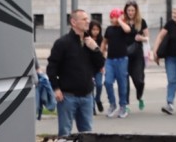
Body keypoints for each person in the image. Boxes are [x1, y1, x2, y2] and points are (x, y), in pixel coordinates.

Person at [46, 9, 106, 137]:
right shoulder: (62, 43)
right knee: (65, 133)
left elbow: (100, 64)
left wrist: (95, 49)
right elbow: (51, 67)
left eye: (87, 19)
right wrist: (56, 88)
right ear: (73, 22)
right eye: (84, 19)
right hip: (67, 97)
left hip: (87, 96)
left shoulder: (89, 42)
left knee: (87, 134)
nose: (88, 22)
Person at [153, 4, 176, 114]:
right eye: (173, 12)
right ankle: (170, 104)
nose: (173, 15)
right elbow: (160, 36)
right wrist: (155, 51)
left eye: (175, 13)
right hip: (170, 57)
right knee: (172, 80)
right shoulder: (170, 24)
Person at [101, 7, 132, 118]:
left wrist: (120, 20)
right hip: (110, 60)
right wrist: (101, 55)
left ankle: (123, 106)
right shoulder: (109, 29)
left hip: (122, 60)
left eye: (114, 17)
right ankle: (112, 104)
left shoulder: (124, 28)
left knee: (122, 83)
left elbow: (128, 30)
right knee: (108, 82)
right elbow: (104, 42)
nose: (112, 19)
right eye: (111, 17)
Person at [123, 0, 149, 111]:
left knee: (138, 79)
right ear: (125, 11)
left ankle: (139, 96)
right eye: (129, 10)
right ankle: (126, 104)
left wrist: (141, 38)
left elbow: (147, 38)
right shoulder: (123, 22)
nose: (130, 12)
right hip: (124, 54)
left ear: (136, 11)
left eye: (133, 10)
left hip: (137, 54)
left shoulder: (141, 22)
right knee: (125, 80)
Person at [89, 19, 105, 114]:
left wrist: (102, 65)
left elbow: (103, 54)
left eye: (97, 30)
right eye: (93, 29)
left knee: (99, 85)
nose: (95, 32)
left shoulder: (101, 40)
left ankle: (98, 99)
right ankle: (92, 107)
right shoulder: (87, 39)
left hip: (98, 67)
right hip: (89, 67)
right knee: (91, 87)